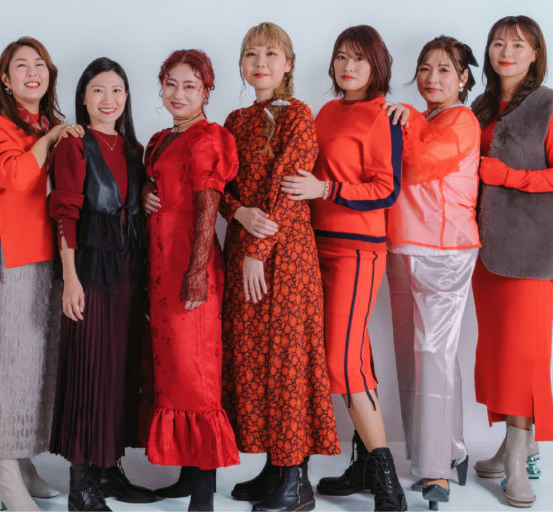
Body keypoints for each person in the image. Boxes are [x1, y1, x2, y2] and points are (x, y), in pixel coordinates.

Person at [281, 24, 407, 511]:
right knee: (354, 356)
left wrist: (326, 189)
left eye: (359, 58)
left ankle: (388, 480)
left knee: (341, 361)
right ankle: (364, 464)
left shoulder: (383, 116)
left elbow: (386, 189)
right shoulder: (327, 112)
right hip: (315, 246)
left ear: (377, 65)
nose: (348, 66)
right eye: (341, 57)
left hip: (358, 251)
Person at [219, 22, 339, 512]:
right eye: (251, 54)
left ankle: (296, 480)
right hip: (242, 253)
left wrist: (257, 250)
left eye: (271, 54)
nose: (260, 63)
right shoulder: (234, 119)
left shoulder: (298, 114)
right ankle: (274, 466)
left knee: (288, 361)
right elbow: (220, 187)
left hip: (285, 256)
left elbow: (289, 190)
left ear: (288, 63)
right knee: (254, 358)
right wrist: (237, 213)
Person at [0, 36, 82, 511]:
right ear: (6, 79)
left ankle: (24, 461)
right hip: (9, 256)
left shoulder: (48, 123)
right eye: (21, 66)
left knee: (37, 364)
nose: (32, 72)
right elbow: (14, 176)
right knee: (7, 364)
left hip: (46, 255)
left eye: (40, 65)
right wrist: (50, 141)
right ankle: (5, 475)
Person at [469, 15, 553, 508]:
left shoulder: (548, 105)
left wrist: (507, 175)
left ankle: (518, 459)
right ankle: (511, 443)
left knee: (524, 355)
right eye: (498, 43)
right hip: (486, 251)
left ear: (535, 53)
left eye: (518, 44)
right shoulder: (481, 107)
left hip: (531, 250)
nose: (506, 52)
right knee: (498, 352)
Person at [48, 56, 159, 511]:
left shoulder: (135, 150)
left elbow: (138, 207)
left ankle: (108, 468)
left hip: (128, 274)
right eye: (98, 90)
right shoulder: (74, 146)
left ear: (127, 97)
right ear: (83, 97)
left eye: (116, 90)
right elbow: (64, 215)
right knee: (89, 372)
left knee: (120, 372)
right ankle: (82, 483)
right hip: (90, 272)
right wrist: (70, 278)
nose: (107, 99)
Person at [383, 35, 480, 511]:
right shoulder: (424, 118)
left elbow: (419, 165)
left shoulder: (461, 119)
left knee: (434, 352)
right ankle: (444, 449)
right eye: (425, 68)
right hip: (403, 243)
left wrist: (408, 117)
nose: (432, 78)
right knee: (413, 353)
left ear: (463, 78)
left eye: (444, 69)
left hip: (444, 249)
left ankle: (436, 468)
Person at [141, 49, 240, 512]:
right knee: (173, 374)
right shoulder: (160, 139)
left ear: (206, 92)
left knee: (196, 374)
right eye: (171, 84)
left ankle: (203, 491)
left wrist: (197, 271)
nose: (178, 94)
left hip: (190, 269)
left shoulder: (208, 137)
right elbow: (161, 184)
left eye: (190, 86)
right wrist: (147, 191)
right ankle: (187, 473)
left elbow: (207, 207)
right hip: (161, 269)